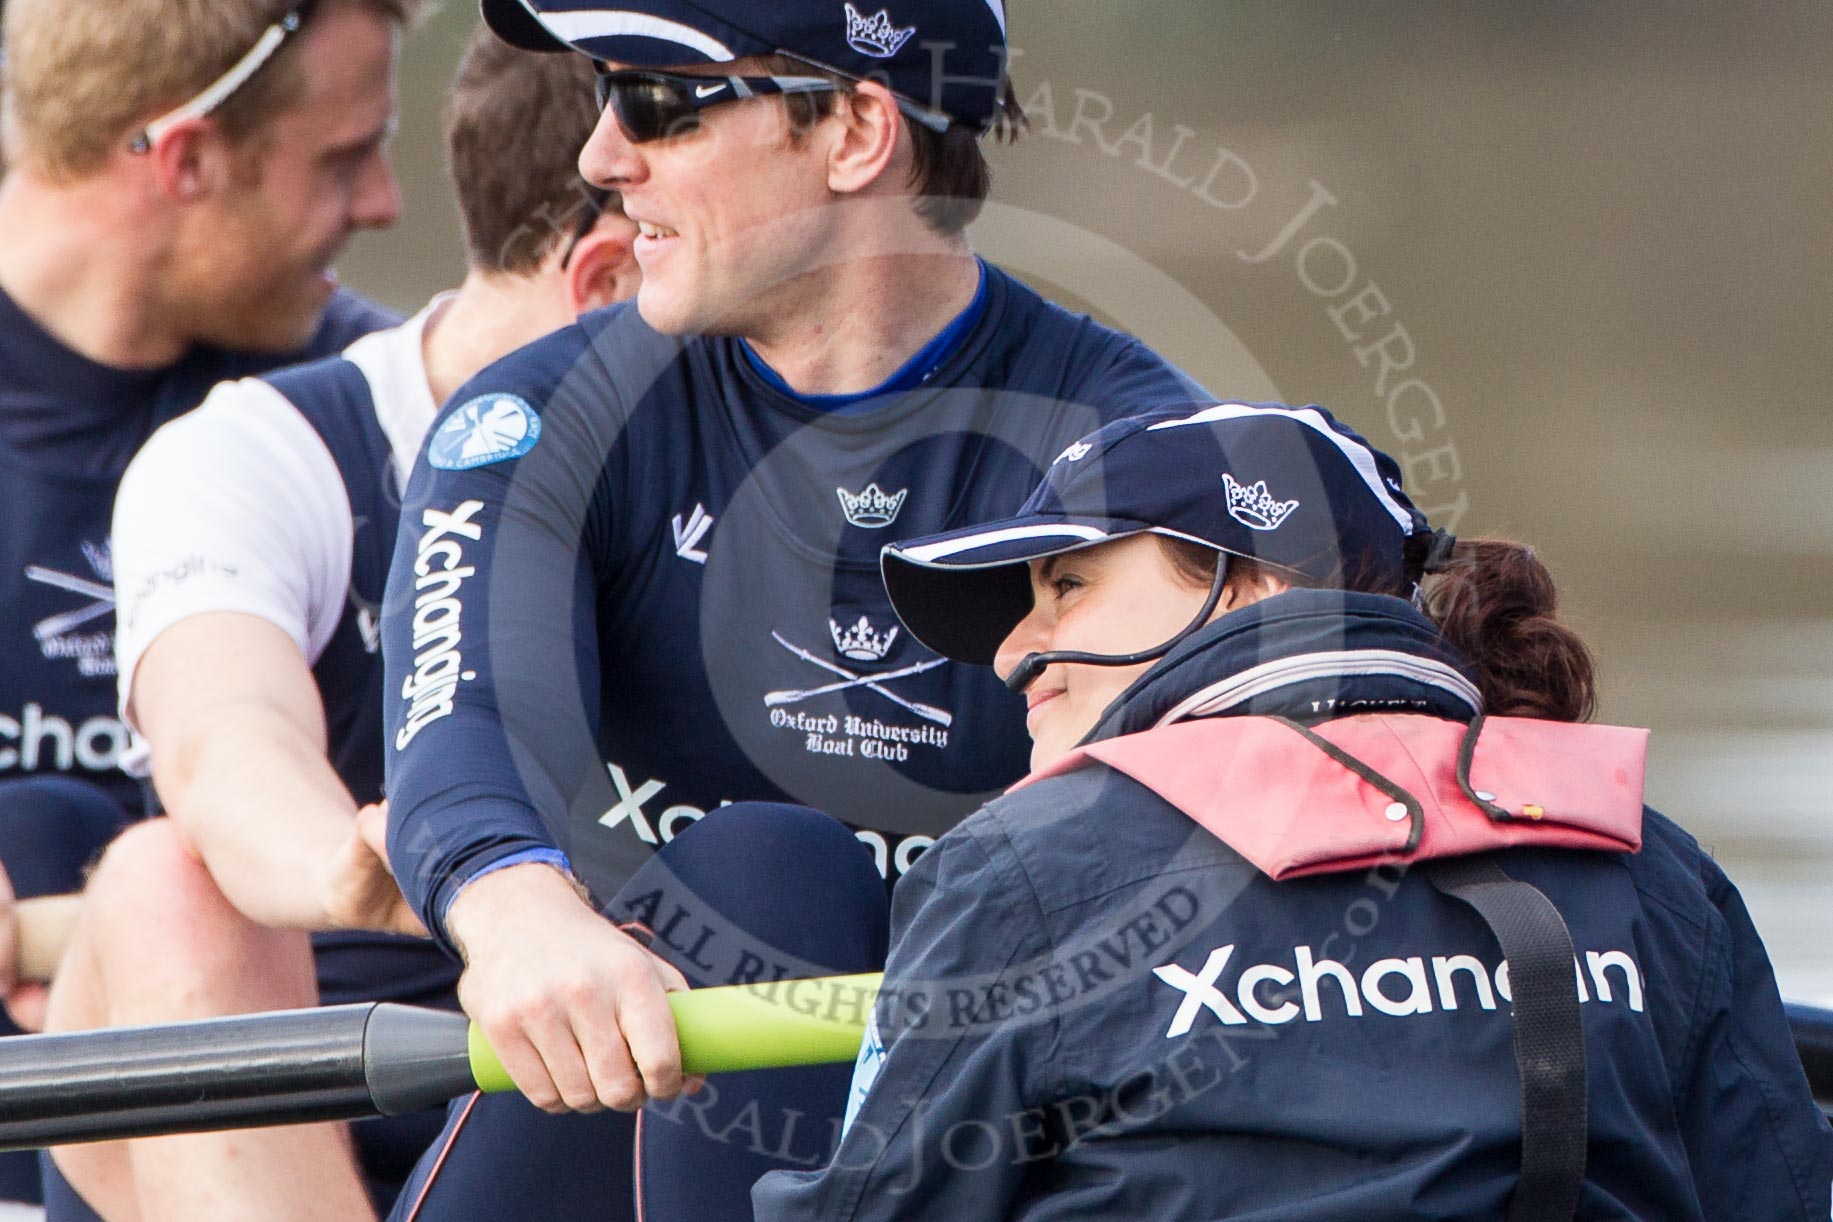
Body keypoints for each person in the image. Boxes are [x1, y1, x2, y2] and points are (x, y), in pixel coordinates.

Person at [378, 0, 1206, 1216]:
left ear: (857, 129)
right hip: (632, 1091)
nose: (600, 158)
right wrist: (518, 917)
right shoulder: (541, 420)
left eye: (657, 100)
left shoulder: (1133, 457)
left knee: (777, 871)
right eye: (604, 98)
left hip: (996, 1114)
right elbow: (462, 729)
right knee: (764, 873)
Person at [750, 402, 1833, 1219]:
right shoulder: (1655, 862)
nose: (1009, 653)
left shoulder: (1021, 870)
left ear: (1259, 586)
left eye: (1067, 587)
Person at [35, 26, 641, 1222]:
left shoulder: (798, 474)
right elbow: (223, 747)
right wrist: (406, 870)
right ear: (611, 280)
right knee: (166, 877)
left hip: (595, 1090)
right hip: (325, 1073)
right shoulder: (262, 448)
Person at [0, 0, 416, 1204]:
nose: (385, 202)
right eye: (342, 156)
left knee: (161, 882)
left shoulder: (375, 415)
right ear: (185, 155)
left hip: (288, 1097)